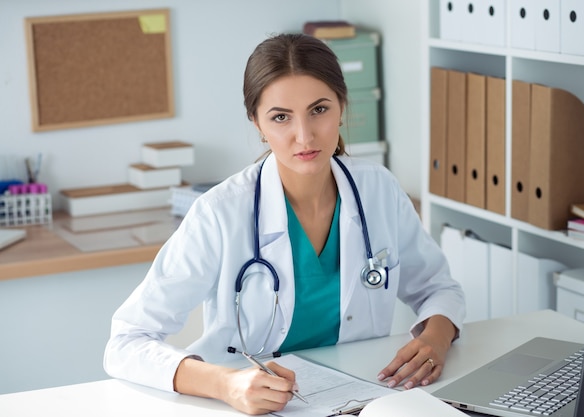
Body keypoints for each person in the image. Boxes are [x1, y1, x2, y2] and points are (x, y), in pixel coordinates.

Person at [103, 33, 465, 415]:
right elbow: (125, 342)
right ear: (257, 122)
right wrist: (226, 383)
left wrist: (437, 338)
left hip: (364, 399)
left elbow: (437, 288)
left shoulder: (378, 190)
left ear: (342, 106)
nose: (304, 136)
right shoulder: (220, 213)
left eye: (319, 110)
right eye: (280, 117)